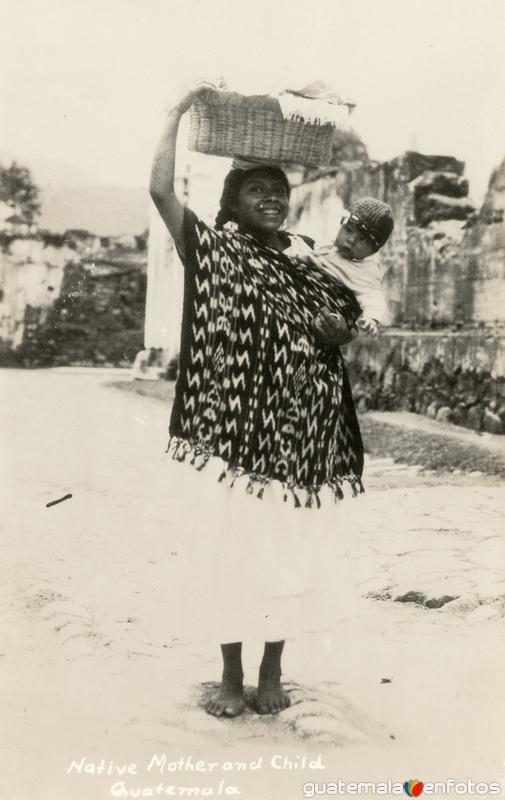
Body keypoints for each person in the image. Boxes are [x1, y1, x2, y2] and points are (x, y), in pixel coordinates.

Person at [149, 79, 365, 719]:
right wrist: (176, 111)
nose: (271, 198)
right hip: (237, 433)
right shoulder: (214, 250)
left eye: (279, 190)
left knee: (285, 556)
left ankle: (273, 670)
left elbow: (343, 320)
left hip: (304, 434)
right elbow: (161, 191)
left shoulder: (307, 259)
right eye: (256, 190)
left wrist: (339, 331)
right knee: (230, 554)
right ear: (233, 203)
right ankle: (229, 675)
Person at [303, 198, 394, 336]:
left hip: (325, 313)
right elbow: (305, 258)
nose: (351, 240)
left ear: (374, 250)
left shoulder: (366, 270)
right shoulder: (328, 248)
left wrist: (371, 319)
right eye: (348, 230)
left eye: (362, 239)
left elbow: (372, 296)